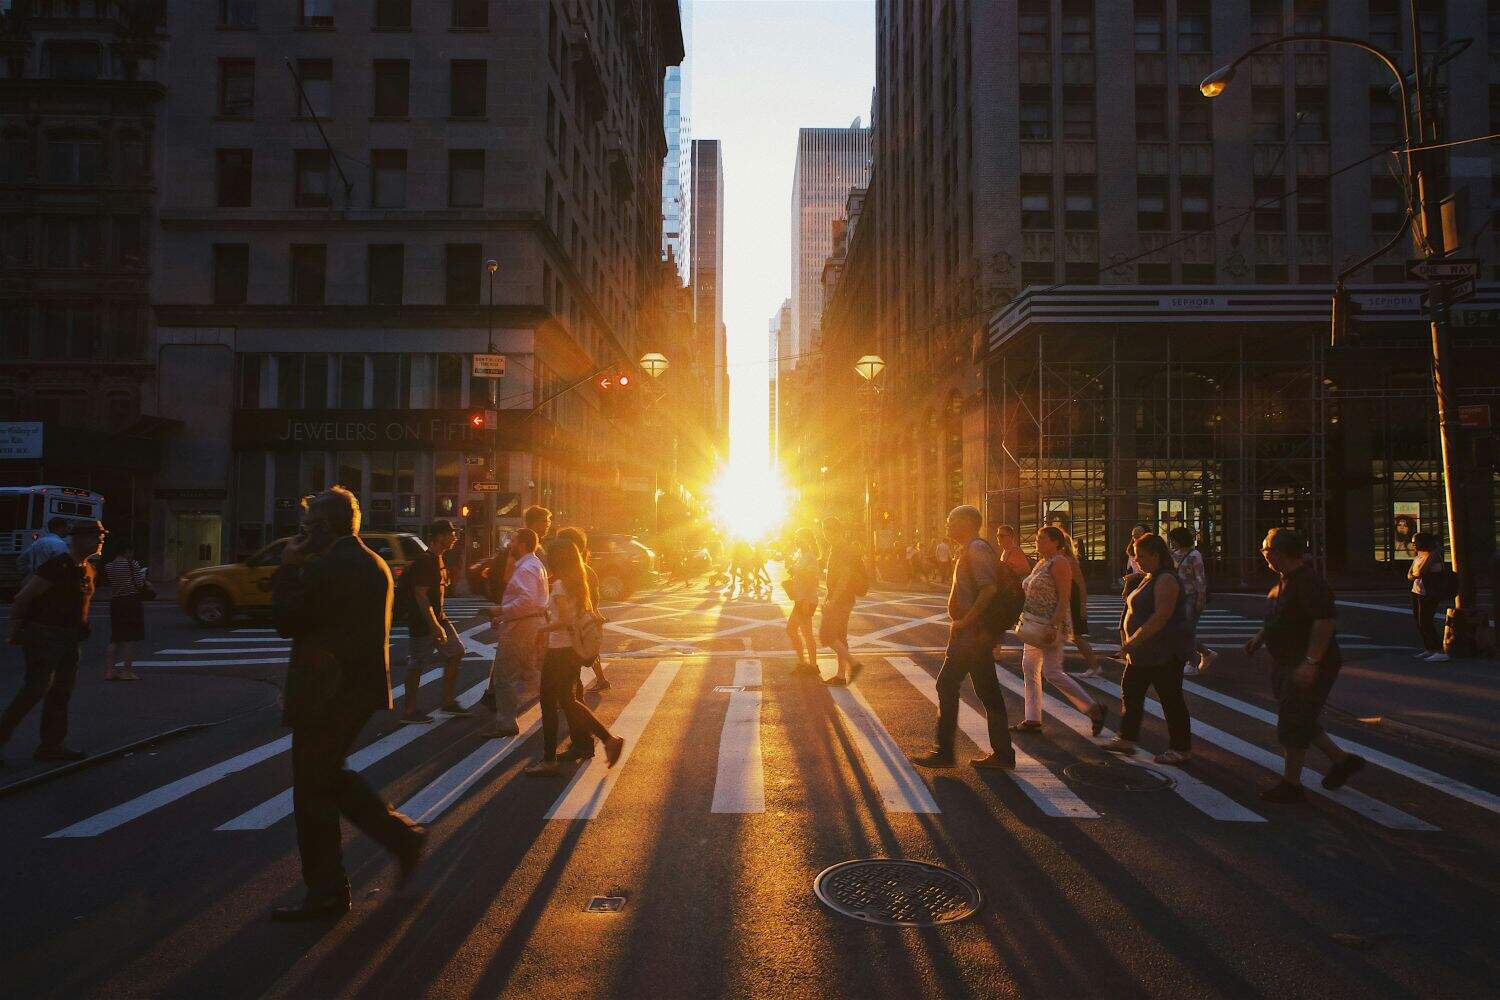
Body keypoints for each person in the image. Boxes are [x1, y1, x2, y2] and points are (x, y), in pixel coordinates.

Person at [269, 487, 425, 920]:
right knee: (327, 777)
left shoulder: (327, 566)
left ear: (324, 528)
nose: (299, 537)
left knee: (312, 794)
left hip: (325, 691)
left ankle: (327, 893)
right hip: (357, 686)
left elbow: (287, 620)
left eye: (305, 529)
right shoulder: (372, 561)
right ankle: (399, 838)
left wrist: (287, 568)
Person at [1243, 528, 1366, 803]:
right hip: (1286, 661)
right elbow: (1281, 617)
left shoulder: (1308, 582)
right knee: (1299, 716)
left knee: (1292, 720)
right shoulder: (1284, 580)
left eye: (1265, 550)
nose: (1263, 555)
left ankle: (1292, 784)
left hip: (1307, 663)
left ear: (1278, 553)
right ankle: (1342, 760)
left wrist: (1311, 662)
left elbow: (1324, 621)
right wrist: (1260, 637)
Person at [912, 505, 1016, 771]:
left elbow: (988, 588)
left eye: (951, 520)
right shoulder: (970, 548)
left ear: (967, 522)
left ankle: (944, 752)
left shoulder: (977, 549)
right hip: (974, 634)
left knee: (947, 684)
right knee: (987, 690)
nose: (947, 525)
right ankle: (1002, 753)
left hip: (971, 634)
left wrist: (965, 621)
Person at [1, 519, 104, 765]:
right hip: (45, 634)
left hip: (69, 638)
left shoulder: (86, 568)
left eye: (101, 538)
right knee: (35, 689)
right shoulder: (58, 566)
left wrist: (82, 625)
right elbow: (23, 597)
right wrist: (16, 629)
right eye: (95, 537)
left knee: (61, 692)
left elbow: (82, 602)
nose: (100, 542)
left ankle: (52, 745)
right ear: (77, 539)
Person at [525, 540, 623, 775]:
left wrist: (541, 630)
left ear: (558, 558)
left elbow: (566, 621)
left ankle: (549, 760)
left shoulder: (559, 585)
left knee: (549, 704)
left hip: (560, 652)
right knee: (568, 701)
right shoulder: (578, 583)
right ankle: (608, 739)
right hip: (570, 652)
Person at [1103, 533, 1193, 764]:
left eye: (1141, 556)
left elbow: (1161, 617)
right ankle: (1127, 738)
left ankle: (1180, 749)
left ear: (1156, 555)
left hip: (1163, 652)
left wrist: (1133, 641)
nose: (1137, 560)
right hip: (1143, 654)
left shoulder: (1166, 579)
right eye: (1135, 555)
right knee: (1131, 692)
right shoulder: (1148, 576)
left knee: (1170, 699)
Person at [1011, 525, 1108, 737]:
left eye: (1042, 539)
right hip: (1034, 625)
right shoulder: (1041, 562)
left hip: (1050, 626)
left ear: (1056, 542)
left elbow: (1064, 598)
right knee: (1029, 667)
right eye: (1037, 538)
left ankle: (1094, 709)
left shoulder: (1060, 562)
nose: (1037, 542)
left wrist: (1053, 625)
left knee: (1052, 672)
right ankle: (1032, 718)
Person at [398, 520, 468, 723]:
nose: (454, 537)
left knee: (456, 652)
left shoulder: (439, 560)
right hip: (423, 622)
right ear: (439, 537)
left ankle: (448, 702)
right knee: (417, 665)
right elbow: (421, 596)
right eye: (451, 533)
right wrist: (434, 625)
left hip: (439, 618)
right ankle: (410, 711)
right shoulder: (425, 561)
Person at [489, 528, 548, 737]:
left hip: (521, 627)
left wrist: (501, 610)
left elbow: (527, 601)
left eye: (512, 541)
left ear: (522, 544)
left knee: (505, 675)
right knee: (529, 671)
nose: (509, 545)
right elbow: (527, 601)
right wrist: (503, 616)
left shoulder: (526, 568)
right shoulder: (533, 564)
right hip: (527, 624)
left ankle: (506, 723)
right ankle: (559, 700)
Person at [557, 526, 611, 693]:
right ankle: (598, 681)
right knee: (588, 654)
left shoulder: (578, 571)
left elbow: (588, 600)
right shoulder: (585, 569)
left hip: (583, 620)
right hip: (590, 619)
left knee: (576, 659)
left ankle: (571, 697)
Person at [819, 516, 866, 686]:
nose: (824, 533)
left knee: (826, 636)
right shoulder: (835, 548)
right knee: (840, 637)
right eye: (824, 529)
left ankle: (854, 664)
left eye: (826, 529)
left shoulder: (842, 548)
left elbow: (845, 576)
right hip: (841, 598)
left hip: (841, 599)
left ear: (835, 530)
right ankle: (840, 676)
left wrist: (832, 599)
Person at [1168, 526, 1217, 674]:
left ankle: (1193, 662)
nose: (1172, 543)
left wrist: (1201, 598)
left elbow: (1200, 578)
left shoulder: (1194, 555)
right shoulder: (1175, 554)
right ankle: (1205, 653)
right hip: (1178, 596)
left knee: (1186, 630)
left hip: (1191, 595)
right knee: (1181, 630)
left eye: (1174, 540)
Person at [103, 540, 146, 682]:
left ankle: (110, 671)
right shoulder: (132, 564)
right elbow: (139, 584)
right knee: (130, 637)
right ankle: (127, 671)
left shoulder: (109, 566)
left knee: (115, 637)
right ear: (127, 551)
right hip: (131, 601)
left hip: (116, 601)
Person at [1060, 535, 1101, 676]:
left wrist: (1083, 605)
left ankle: (1095, 666)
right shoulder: (1059, 559)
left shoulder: (1070, 561)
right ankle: (1052, 667)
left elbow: (1081, 584)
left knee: (1076, 636)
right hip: (1065, 600)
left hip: (1072, 601)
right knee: (1060, 635)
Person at [785, 527, 822, 676]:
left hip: (806, 600)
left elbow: (811, 579)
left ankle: (810, 665)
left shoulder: (810, 557)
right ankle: (806, 664)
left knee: (802, 632)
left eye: (798, 537)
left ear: (807, 539)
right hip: (801, 599)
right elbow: (797, 572)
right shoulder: (802, 555)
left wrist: (806, 600)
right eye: (795, 537)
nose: (796, 540)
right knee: (795, 631)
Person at [1407, 532, 1448, 662]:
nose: (1413, 546)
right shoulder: (1419, 555)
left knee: (1426, 621)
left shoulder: (1434, 554)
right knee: (1419, 622)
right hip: (1417, 590)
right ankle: (1429, 648)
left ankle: (1439, 650)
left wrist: (1415, 574)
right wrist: (1415, 574)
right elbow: (1409, 575)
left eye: (1416, 543)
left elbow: (1420, 571)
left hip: (1429, 592)